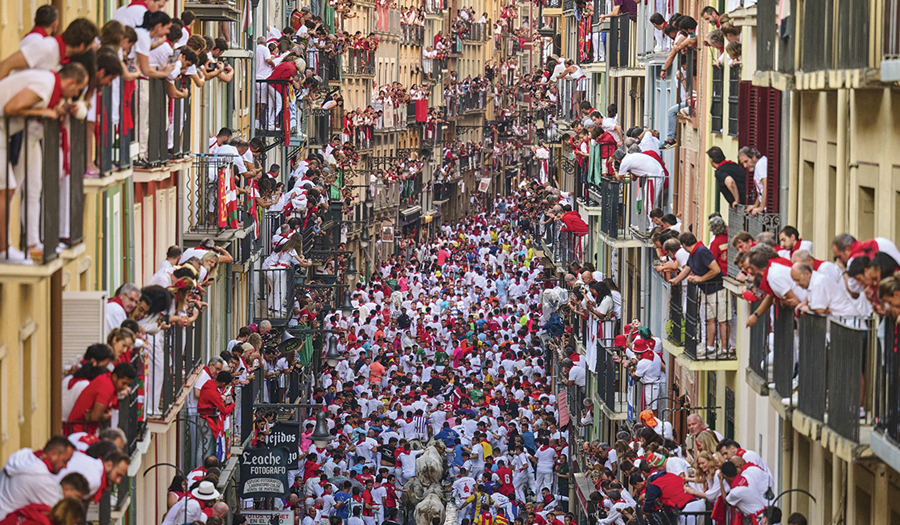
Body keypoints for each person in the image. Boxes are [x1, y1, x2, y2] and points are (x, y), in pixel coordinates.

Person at [0, 436, 77, 521]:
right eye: (65, 461)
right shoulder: (40, 478)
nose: (65, 466)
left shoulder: (23, 458)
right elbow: (61, 513)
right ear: (54, 454)